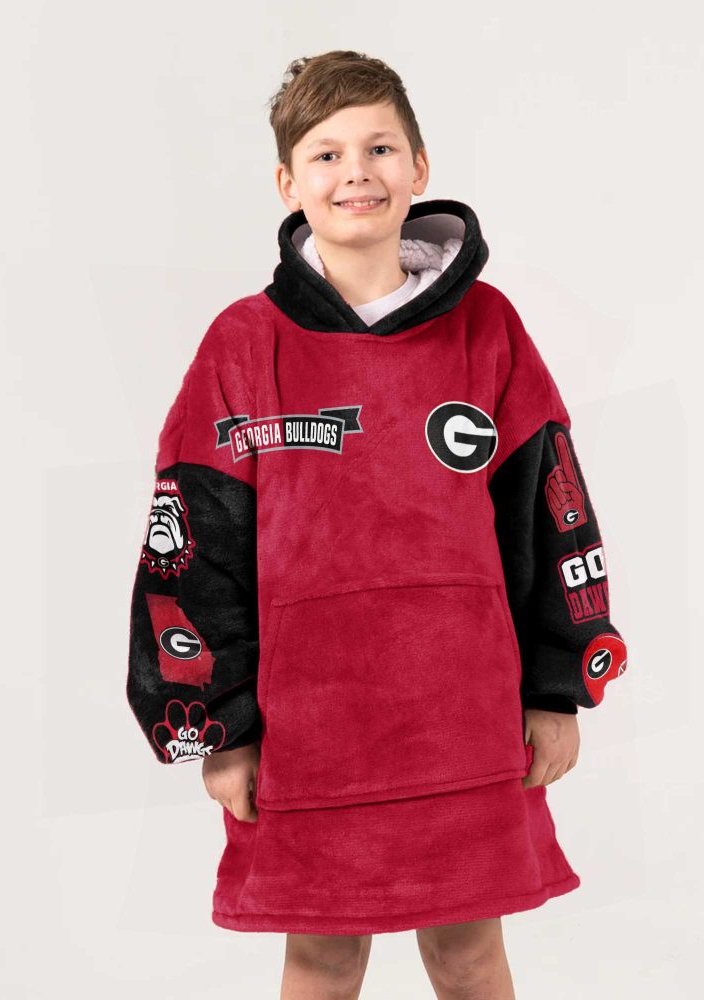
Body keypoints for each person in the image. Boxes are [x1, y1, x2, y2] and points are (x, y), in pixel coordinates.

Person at [126, 49, 628, 999]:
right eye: (326, 155)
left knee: (468, 955)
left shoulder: (487, 328)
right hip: (307, 732)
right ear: (288, 184)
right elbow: (190, 546)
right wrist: (220, 727)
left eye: (379, 148)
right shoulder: (243, 345)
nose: (355, 172)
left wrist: (558, 686)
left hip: (466, 723)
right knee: (322, 958)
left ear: (420, 167)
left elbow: (553, 508)